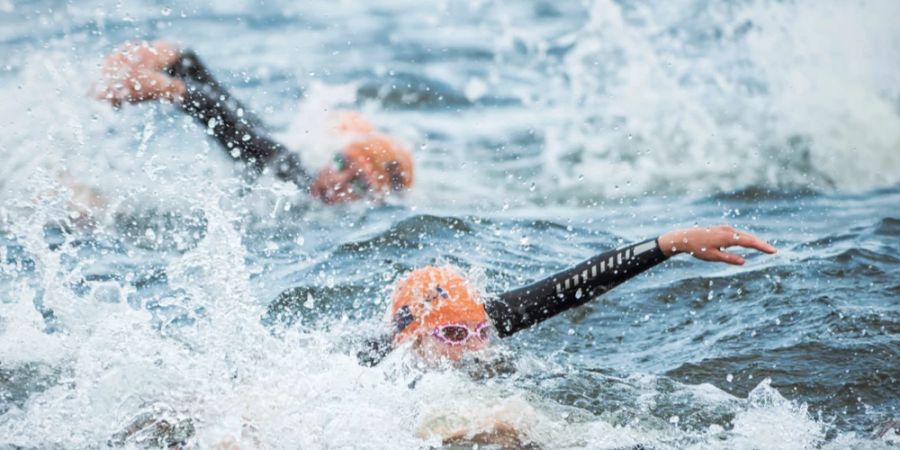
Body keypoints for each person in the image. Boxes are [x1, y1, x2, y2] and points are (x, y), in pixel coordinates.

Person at [96, 41, 413, 204]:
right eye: (342, 163)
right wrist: (168, 66)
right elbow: (233, 123)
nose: (337, 181)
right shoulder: (291, 172)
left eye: (358, 185)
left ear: (373, 199)